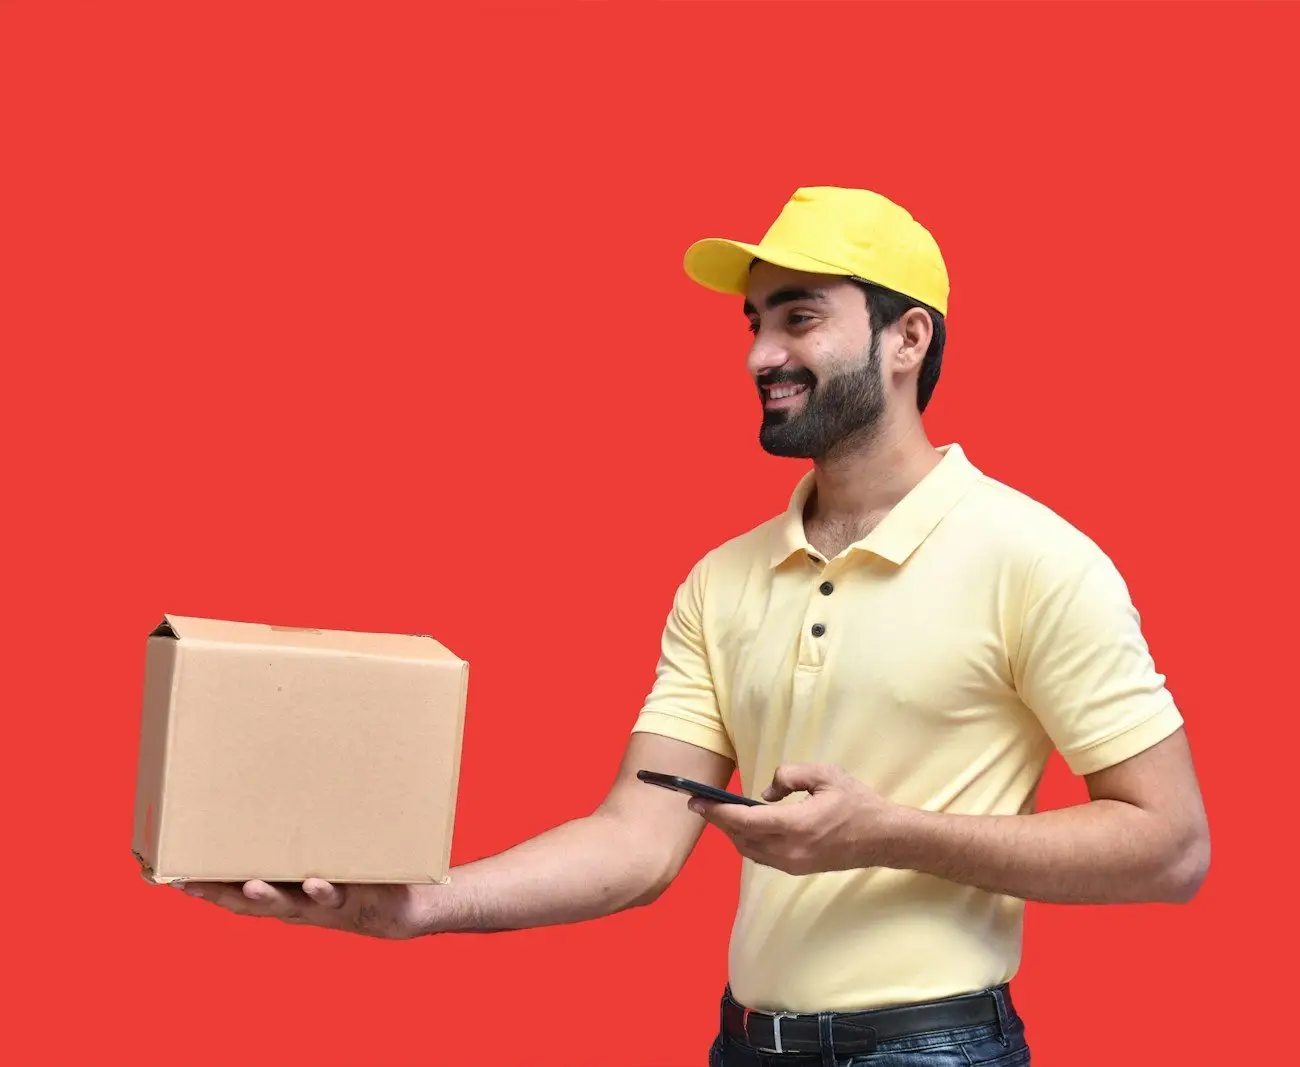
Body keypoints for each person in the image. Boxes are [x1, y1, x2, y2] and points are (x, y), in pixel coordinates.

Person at [180, 186, 1211, 1066]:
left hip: (932, 1045)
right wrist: (414, 905)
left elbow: (1169, 847)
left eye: (799, 317)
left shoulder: (1031, 557)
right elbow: (635, 840)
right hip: (744, 1040)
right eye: (755, 323)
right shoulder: (723, 579)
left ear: (908, 338)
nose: (762, 353)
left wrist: (888, 832)